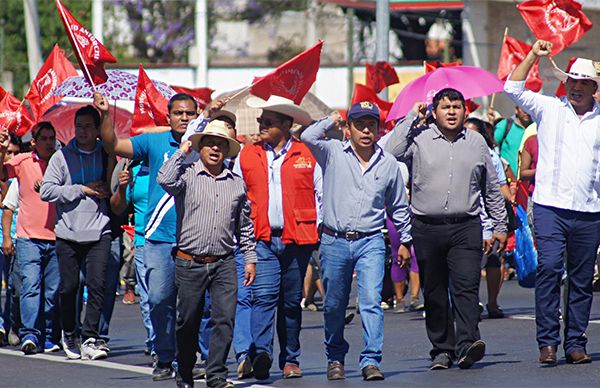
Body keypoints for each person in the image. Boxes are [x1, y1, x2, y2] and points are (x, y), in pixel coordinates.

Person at [385, 88, 507, 370]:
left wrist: (500, 225)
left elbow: (489, 187)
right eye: (445, 107)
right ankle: (442, 349)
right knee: (435, 292)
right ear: (434, 112)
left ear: (465, 111)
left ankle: (467, 345)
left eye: (456, 106)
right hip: (427, 227)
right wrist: (411, 119)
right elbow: (391, 151)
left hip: (466, 226)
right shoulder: (419, 137)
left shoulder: (476, 142)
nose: (451, 112)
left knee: (466, 288)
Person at [301, 101, 411, 381]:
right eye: (359, 124)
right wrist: (330, 119)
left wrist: (405, 241)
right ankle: (335, 356)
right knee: (335, 304)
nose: (365, 130)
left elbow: (398, 206)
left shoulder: (388, 164)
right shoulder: (332, 152)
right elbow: (307, 136)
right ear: (348, 128)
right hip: (334, 240)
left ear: (378, 128)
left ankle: (371, 359)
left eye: (371, 124)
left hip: (371, 241)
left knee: (371, 301)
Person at [506, 41, 600, 365]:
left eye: (583, 83)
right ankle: (547, 342)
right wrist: (533, 54)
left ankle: (575, 342)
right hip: (549, 206)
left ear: (593, 88)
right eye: (571, 81)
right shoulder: (548, 107)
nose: (576, 87)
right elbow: (512, 87)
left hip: (589, 210)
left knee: (582, 277)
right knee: (548, 268)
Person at [95, 91, 198, 380]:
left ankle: (190, 356)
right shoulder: (153, 142)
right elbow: (112, 143)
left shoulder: (204, 145)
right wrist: (104, 114)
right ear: (169, 116)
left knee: (192, 304)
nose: (184, 118)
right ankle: (164, 355)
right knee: (159, 298)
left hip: (193, 238)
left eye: (190, 113)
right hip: (158, 238)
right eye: (179, 113)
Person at [157, 120, 257, 388]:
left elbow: (244, 225)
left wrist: (249, 258)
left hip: (224, 261)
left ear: (227, 150)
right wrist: (182, 151)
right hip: (189, 261)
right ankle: (186, 371)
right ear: (200, 147)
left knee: (224, 319)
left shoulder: (236, 184)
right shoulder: (188, 175)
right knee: (187, 321)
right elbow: (164, 179)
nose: (215, 148)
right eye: (210, 143)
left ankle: (216, 376)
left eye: (221, 144)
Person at [233, 95, 321, 380]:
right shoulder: (247, 153)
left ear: (285, 125)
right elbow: (236, 194)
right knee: (264, 297)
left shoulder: (308, 154)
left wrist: (316, 228)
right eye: (260, 121)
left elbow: (320, 194)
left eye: (267, 122)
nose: (260, 125)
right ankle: (260, 353)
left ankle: (290, 359)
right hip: (262, 239)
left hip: (298, 239)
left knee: (291, 302)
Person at [40, 106, 114, 361]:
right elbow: (47, 191)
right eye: (78, 126)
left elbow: (116, 187)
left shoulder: (107, 155)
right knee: (70, 287)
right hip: (68, 232)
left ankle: (90, 337)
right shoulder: (61, 157)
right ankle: (69, 331)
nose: (82, 131)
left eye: (88, 126)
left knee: (97, 285)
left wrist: (112, 188)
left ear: (97, 130)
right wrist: (81, 189)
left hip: (100, 229)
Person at [0, 122, 60, 355]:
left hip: (58, 237)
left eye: (51, 138)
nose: (48, 142)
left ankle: (47, 334)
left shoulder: (61, 161)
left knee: (52, 291)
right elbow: (3, 174)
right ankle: (30, 334)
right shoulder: (23, 160)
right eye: (43, 138)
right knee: (30, 287)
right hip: (28, 238)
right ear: (34, 141)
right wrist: (2, 150)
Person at [465, 117, 513, 319]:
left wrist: (509, 202)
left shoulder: (491, 156)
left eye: (473, 133)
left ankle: (492, 302)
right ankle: (470, 302)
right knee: (470, 262)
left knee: (493, 259)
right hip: (470, 214)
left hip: (491, 214)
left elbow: (501, 185)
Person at [0, 134, 21, 345]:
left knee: (15, 287)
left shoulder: (21, 174)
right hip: (2, 237)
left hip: (16, 238)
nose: (12, 156)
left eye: (16, 153)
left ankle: (11, 324)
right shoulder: (5, 173)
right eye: (9, 153)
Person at [494, 106, 532, 175]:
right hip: (507, 180)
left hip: (528, 181)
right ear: (516, 110)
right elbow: (490, 146)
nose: (526, 112)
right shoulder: (505, 125)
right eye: (523, 108)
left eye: (529, 108)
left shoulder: (536, 128)